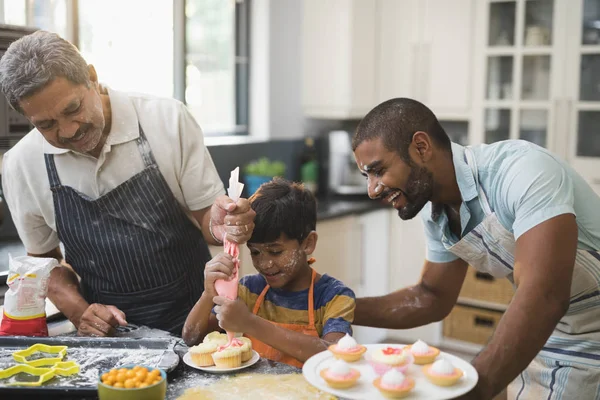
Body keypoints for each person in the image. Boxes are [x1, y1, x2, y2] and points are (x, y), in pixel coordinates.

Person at [0, 31, 256, 336]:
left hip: (199, 321)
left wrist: (223, 225)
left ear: (92, 78)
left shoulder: (165, 120)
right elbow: (45, 265)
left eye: (73, 109)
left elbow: (208, 219)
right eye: (46, 124)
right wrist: (83, 313)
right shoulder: (21, 165)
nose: (68, 131)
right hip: (108, 336)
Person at [351, 98, 600, 399]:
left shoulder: (520, 171)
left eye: (378, 171)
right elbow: (432, 297)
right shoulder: (437, 212)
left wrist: (473, 390)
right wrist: (335, 307)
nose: (372, 189)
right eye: (367, 176)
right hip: (551, 333)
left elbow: (544, 295)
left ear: (421, 147)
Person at [183, 178, 356, 367]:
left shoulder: (334, 296)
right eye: (255, 252)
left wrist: (250, 323)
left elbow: (334, 356)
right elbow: (192, 338)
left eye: (276, 251)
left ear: (308, 243)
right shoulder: (249, 290)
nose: (264, 264)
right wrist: (209, 294)